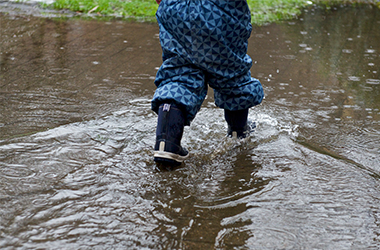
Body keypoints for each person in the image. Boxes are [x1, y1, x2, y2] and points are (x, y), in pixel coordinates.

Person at [152, 0, 264, 166]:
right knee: (231, 72)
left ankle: (167, 143)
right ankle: (237, 133)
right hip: (220, 12)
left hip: (175, 9)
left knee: (179, 73)